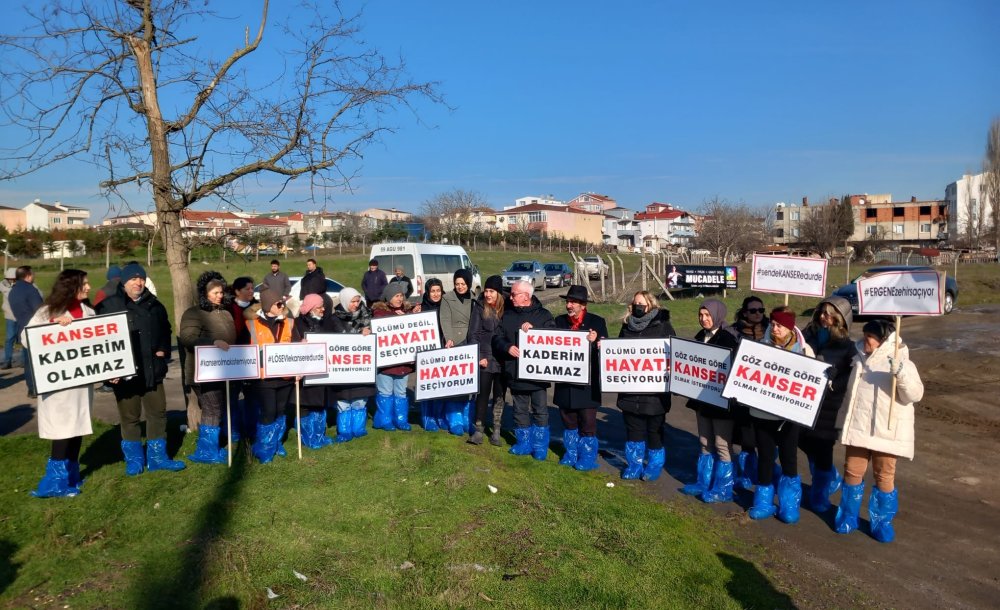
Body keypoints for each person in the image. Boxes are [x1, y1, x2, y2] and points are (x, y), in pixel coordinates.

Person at [835, 319, 923, 543]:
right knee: (852, 472)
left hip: (886, 431)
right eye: (864, 335)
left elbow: (914, 394)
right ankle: (848, 517)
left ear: (883, 341)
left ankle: (881, 523)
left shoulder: (902, 362)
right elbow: (849, 394)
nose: (865, 340)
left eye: (870, 337)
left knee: (884, 476)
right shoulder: (858, 360)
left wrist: (901, 373)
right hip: (859, 429)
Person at [96, 262, 185, 476]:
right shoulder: (110, 306)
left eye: (141, 278)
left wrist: (163, 349)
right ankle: (134, 460)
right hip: (125, 374)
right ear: (124, 282)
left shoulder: (154, 305)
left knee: (158, 413)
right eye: (133, 279)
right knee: (130, 417)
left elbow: (166, 329)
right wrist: (109, 372)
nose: (138, 282)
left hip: (152, 370)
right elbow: (98, 340)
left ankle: (157, 457)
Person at [24, 270, 94, 498]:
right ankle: (53, 482)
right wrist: (53, 326)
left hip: (82, 384)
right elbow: (26, 338)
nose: (89, 287)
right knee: (62, 430)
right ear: (71, 286)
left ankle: (71, 476)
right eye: (84, 284)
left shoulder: (89, 312)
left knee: (77, 428)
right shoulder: (47, 312)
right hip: (59, 386)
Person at [747, 307, 814, 524]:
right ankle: (763, 502)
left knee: (789, 459)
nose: (775, 328)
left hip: (788, 417)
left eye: (779, 325)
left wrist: (826, 376)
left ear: (790, 327)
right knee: (765, 457)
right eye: (773, 324)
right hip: (763, 414)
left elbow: (814, 381)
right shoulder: (760, 348)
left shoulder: (804, 350)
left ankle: (789, 504)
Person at [680, 299, 740, 502]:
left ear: (717, 315)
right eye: (701, 315)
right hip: (702, 401)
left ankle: (723, 488)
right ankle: (703, 481)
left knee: (722, 444)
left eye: (708, 315)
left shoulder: (728, 339)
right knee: (705, 442)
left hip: (722, 403)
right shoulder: (699, 337)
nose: (704, 319)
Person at [800, 296, 855, 512]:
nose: (824, 317)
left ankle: (820, 494)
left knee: (822, 449)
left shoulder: (847, 347)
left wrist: (834, 381)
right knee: (802, 441)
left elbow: (849, 377)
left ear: (840, 319)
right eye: (822, 312)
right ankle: (830, 477)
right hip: (804, 402)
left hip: (829, 408)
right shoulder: (807, 335)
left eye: (830, 314)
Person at [493, 280, 555, 461]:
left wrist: (536, 332)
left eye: (514, 294)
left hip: (537, 375)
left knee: (540, 410)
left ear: (526, 296)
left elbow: (555, 338)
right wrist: (507, 347)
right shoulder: (507, 314)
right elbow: (497, 337)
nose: (510, 297)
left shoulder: (543, 315)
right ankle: (523, 443)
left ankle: (540, 446)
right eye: (511, 294)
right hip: (515, 371)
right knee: (519, 410)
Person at [179, 271, 237, 464]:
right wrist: (213, 342)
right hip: (201, 371)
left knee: (218, 407)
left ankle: (213, 446)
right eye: (214, 292)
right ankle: (206, 452)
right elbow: (188, 339)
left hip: (224, 370)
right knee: (212, 408)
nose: (219, 295)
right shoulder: (193, 313)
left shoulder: (226, 313)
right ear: (204, 293)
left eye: (221, 292)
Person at [617, 290, 676, 481]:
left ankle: (653, 465)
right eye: (635, 304)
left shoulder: (663, 326)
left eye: (641, 304)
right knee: (633, 430)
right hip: (630, 392)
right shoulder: (626, 327)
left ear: (651, 305)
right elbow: (617, 353)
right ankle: (634, 465)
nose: (638, 307)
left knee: (654, 431)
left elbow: (673, 354)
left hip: (654, 394)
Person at [553, 285, 607, 471]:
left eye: (573, 302)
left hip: (587, 385)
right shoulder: (559, 321)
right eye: (568, 302)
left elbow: (606, 351)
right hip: (565, 383)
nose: (569, 305)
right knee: (568, 420)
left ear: (583, 305)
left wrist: (595, 343)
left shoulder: (597, 322)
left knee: (588, 423)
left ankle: (587, 457)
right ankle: (571, 453)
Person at [246, 288, 300, 463]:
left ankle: (276, 443)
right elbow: (244, 349)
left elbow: (297, 346)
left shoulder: (289, 322)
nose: (282, 305)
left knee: (280, 411)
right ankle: (265, 447)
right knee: (268, 412)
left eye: (282, 303)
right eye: (278, 303)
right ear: (269, 305)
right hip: (264, 379)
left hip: (285, 377)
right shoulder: (252, 324)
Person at [371, 283, 422, 431]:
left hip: (403, 365)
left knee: (400, 392)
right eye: (396, 296)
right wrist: (400, 317)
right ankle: (384, 420)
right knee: (385, 392)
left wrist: (411, 316)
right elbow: (381, 325)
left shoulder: (406, 311)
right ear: (388, 298)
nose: (399, 298)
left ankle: (401, 419)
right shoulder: (379, 313)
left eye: (401, 295)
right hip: (386, 365)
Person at [730, 295, 768, 490]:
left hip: (767, 397)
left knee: (767, 441)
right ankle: (747, 473)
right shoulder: (734, 332)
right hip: (744, 397)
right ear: (745, 312)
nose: (758, 314)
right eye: (753, 311)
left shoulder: (771, 330)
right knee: (747, 438)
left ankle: (767, 474)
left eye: (761, 310)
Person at [328, 287, 375, 442]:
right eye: (353, 301)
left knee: (360, 399)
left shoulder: (366, 316)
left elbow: (374, 338)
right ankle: (344, 430)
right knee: (343, 401)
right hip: (343, 369)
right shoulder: (334, 319)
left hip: (360, 368)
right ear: (344, 301)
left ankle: (359, 428)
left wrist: (367, 332)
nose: (356, 304)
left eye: (358, 300)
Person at [467, 275, 506, 446]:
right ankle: (479, 429)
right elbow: (473, 334)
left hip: (502, 359)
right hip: (485, 357)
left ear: (499, 293)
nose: (488, 294)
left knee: (499, 395)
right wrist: (479, 356)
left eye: (492, 291)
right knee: (482, 394)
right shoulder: (479, 306)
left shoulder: (508, 308)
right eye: (486, 290)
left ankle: (496, 430)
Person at [293, 294, 336, 449]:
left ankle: (319, 435)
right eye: (319, 307)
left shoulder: (327, 322)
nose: (323, 309)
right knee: (305, 404)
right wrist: (299, 344)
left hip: (322, 373)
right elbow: (290, 345)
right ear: (310, 309)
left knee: (320, 403)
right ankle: (307, 436)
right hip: (305, 374)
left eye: (323, 306)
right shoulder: (297, 323)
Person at [440, 269, 475, 436]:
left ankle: (468, 418)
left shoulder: (475, 298)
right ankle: (455, 420)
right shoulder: (447, 298)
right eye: (457, 284)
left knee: (470, 383)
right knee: (456, 383)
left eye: (463, 284)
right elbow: (445, 319)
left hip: (472, 341)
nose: (460, 287)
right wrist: (449, 338)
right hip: (455, 341)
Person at [227, 276, 258, 438]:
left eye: (252, 288)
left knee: (252, 396)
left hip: (252, 358)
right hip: (233, 358)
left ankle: (252, 429)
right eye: (247, 289)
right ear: (237, 291)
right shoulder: (229, 308)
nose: (251, 291)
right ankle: (233, 431)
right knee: (232, 396)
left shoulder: (257, 307)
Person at [417, 278, 446, 432]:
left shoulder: (447, 306)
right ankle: (428, 418)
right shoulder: (421, 308)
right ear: (427, 292)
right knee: (427, 385)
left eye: (438, 291)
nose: (435, 294)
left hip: (442, 350)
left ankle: (440, 416)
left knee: (441, 386)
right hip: (426, 354)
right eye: (432, 291)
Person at [9, 266, 44, 396]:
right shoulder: (30, 289)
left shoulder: (13, 291)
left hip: (22, 327)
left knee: (28, 360)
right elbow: (40, 310)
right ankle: (38, 386)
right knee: (38, 359)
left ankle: (31, 388)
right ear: (28, 275)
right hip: (35, 328)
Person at [0, 267, 18, 369]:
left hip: (22, 316)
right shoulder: (2, 285)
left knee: (22, 339)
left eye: (14, 279)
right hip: (9, 316)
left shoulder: (23, 285)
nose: (12, 281)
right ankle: (8, 361)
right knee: (9, 338)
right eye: (10, 279)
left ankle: (26, 361)